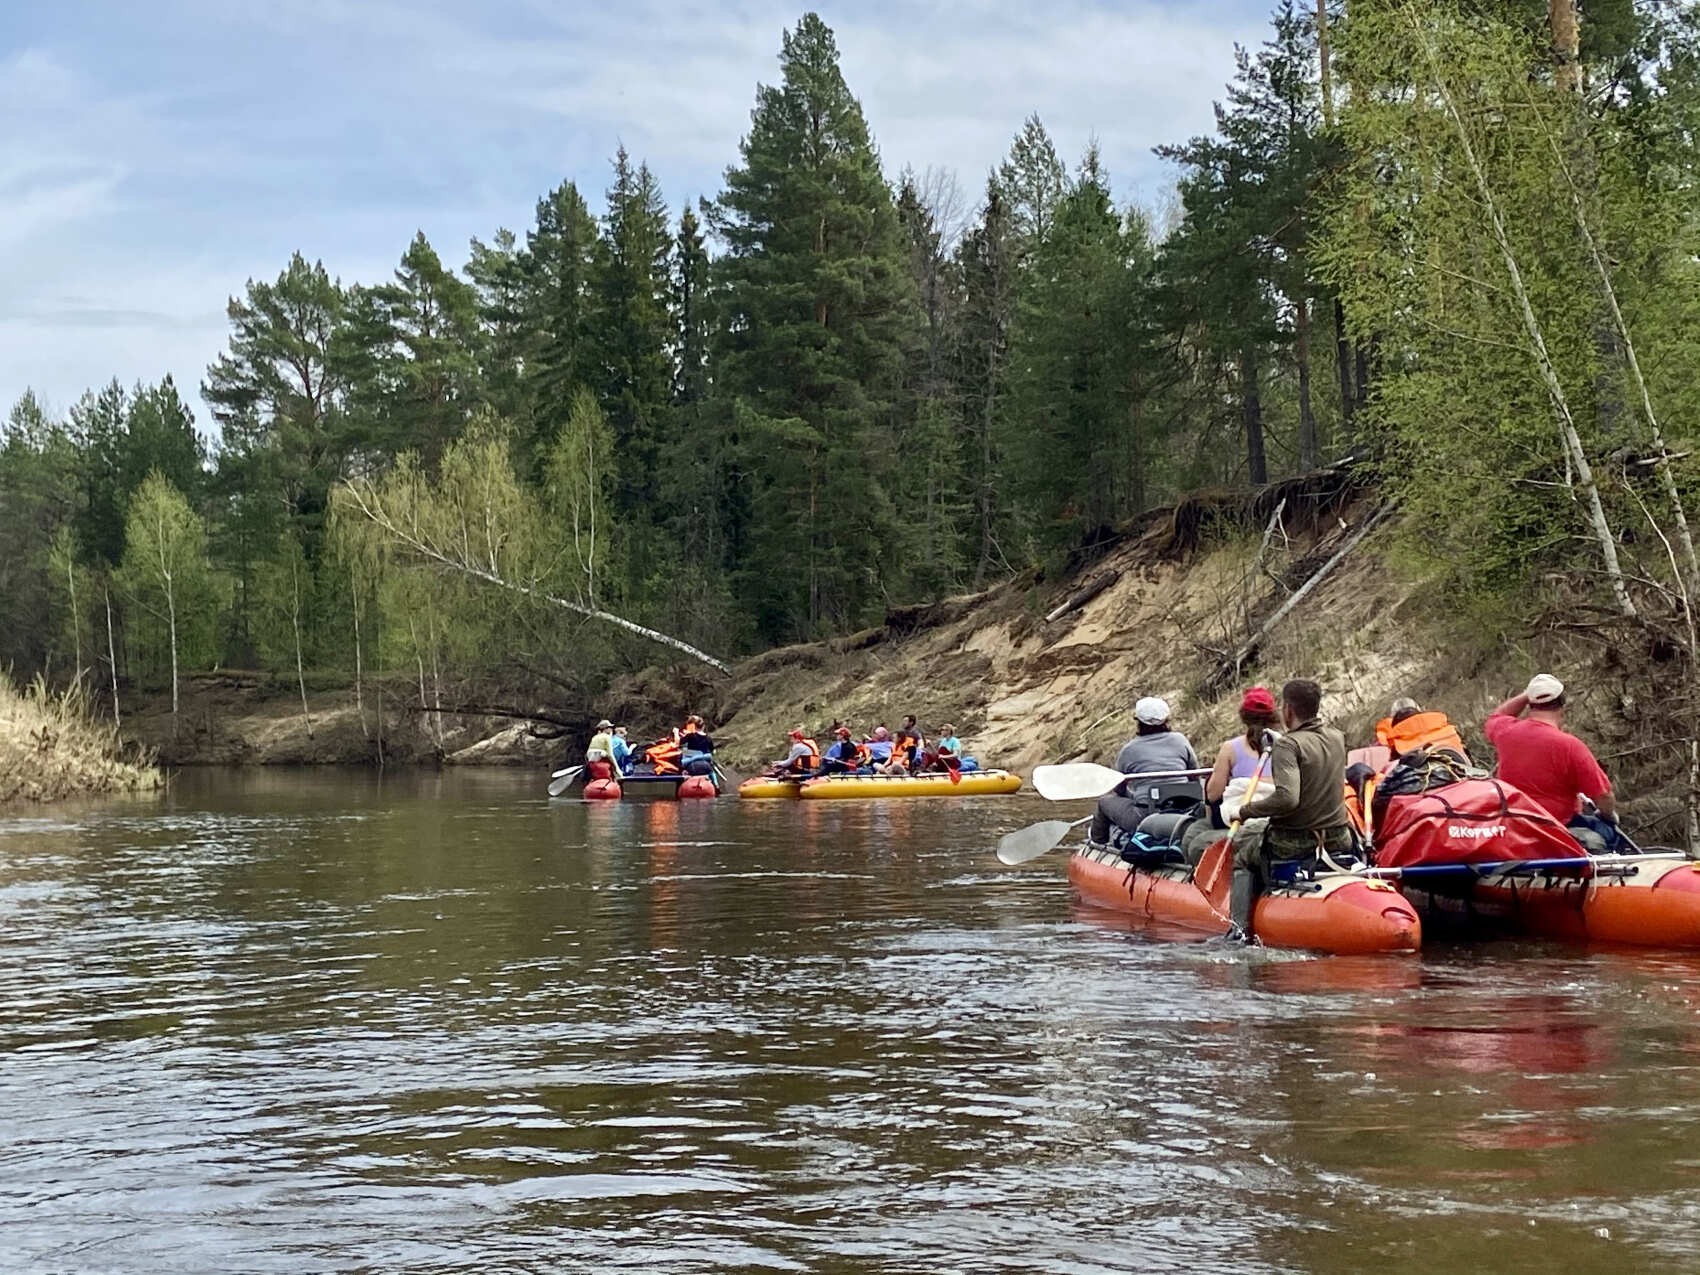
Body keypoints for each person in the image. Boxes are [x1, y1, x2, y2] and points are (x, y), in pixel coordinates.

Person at [1230, 679, 1354, 944]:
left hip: (1294, 842)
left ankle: (1238, 930)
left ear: (1287, 710)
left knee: (1242, 853)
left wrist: (1246, 810)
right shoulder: (1337, 738)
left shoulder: (1288, 746)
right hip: (1338, 837)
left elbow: (1287, 799)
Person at [1483, 674, 1620, 851]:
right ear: (1562, 703)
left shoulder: (1505, 732)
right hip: (1558, 828)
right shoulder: (1570, 746)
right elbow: (1604, 796)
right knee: (1609, 831)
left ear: (1530, 705)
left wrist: (1528, 694)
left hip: (1517, 826)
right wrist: (1607, 815)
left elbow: (1497, 716)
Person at [1089, 697, 1201, 843]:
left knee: (1104, 802)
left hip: (1144, 817)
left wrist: (1134, 796)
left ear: (1139, 722)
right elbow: (1195, 777)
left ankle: (1097, 845)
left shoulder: (1128, 750)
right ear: (1166, 720)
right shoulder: (1180, 740)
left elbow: (1119, 790)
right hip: (1186, 811)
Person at [1205, 687, 1281, 826]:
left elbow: (1213, 794)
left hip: (1240, 817)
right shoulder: (1287, 746)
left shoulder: (1230, 748)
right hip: (1276, 815)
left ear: (1243, 717)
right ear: (1274, 716)